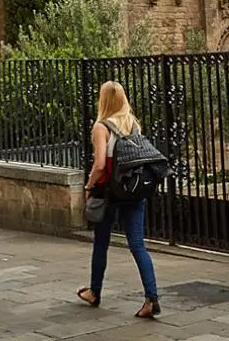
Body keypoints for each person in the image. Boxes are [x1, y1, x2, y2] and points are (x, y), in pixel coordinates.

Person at [77, 81, 160, 319]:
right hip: (134, 190)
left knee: (101, 242)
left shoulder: (101, 127)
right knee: (137, 244)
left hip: (109, 192)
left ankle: (95, 291)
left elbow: (101, 164)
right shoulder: (132, 123)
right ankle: (151, 298)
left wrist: (89, 185)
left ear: (103, 100)